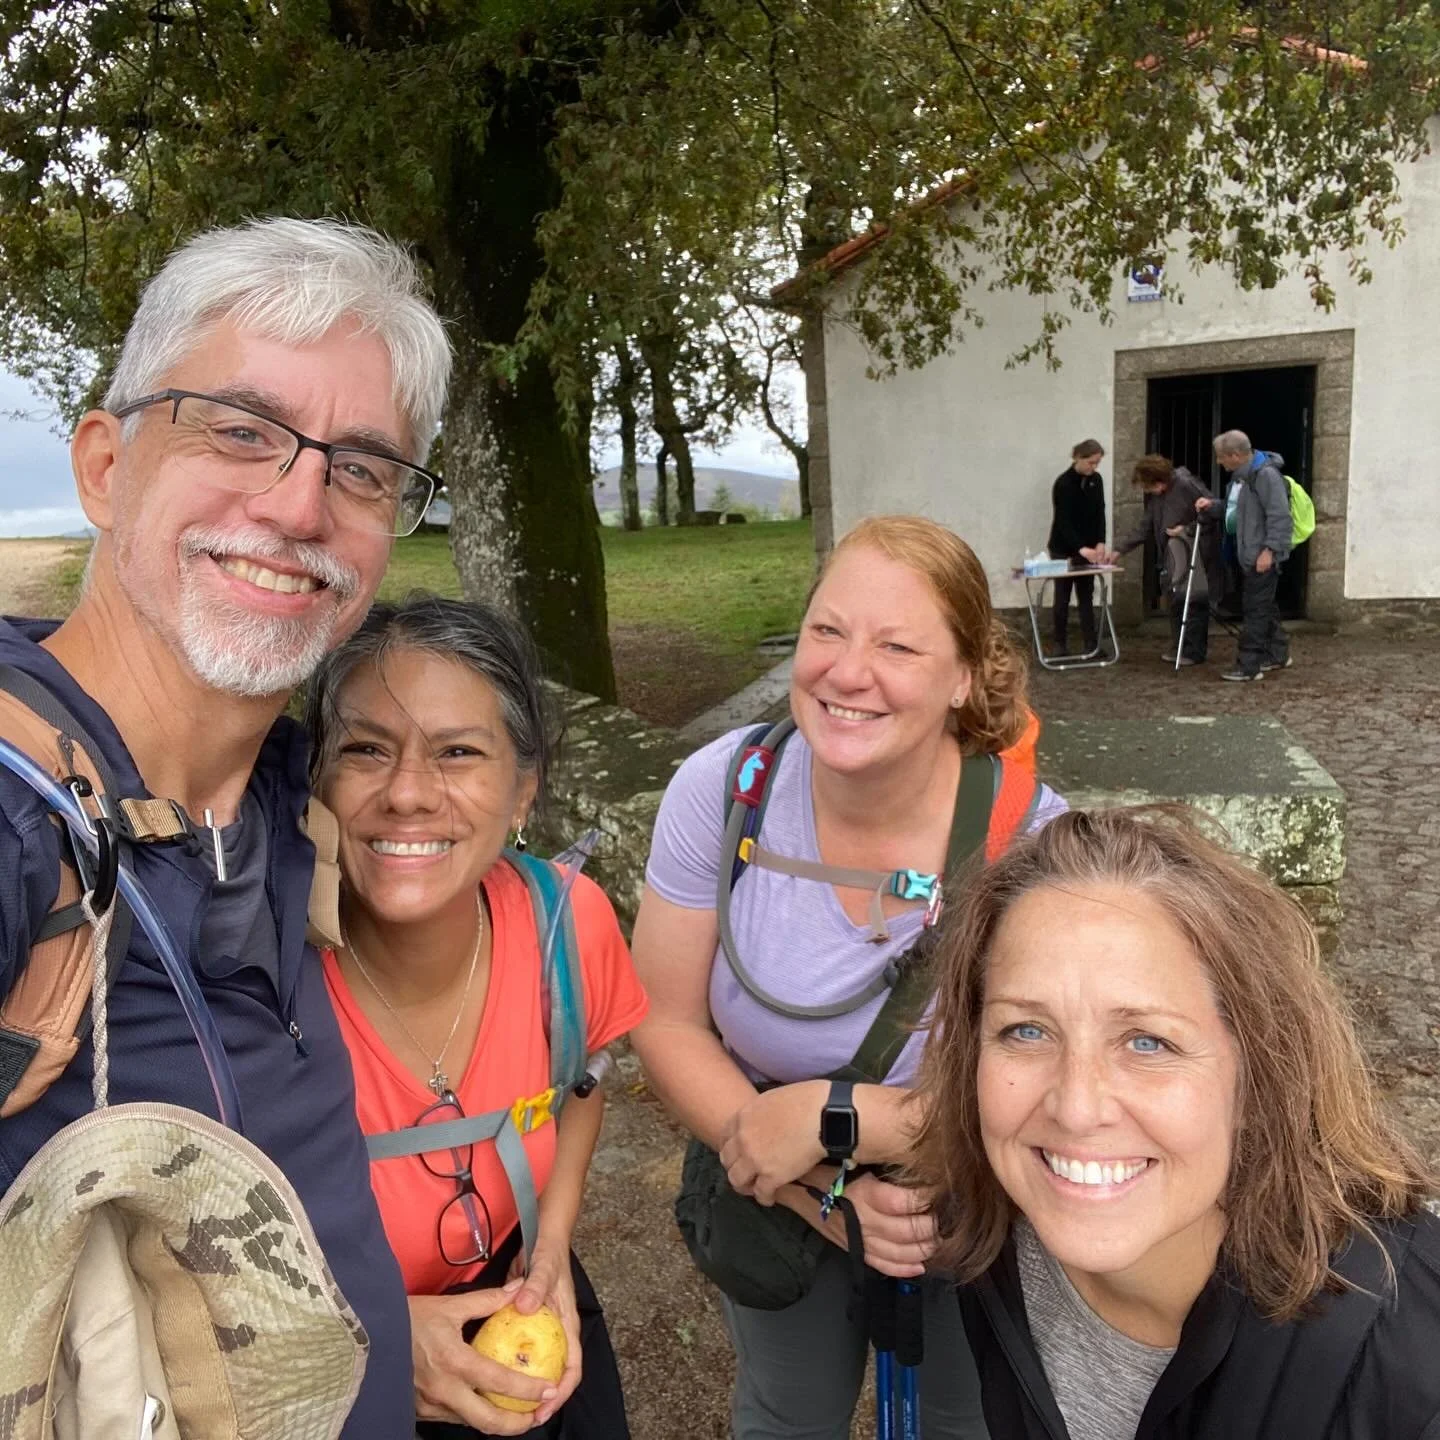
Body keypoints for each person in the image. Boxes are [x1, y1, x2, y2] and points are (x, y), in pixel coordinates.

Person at [0, 217, 452, 1435]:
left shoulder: (287, 801)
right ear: (103, 464)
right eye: (242, 431)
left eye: (362, 467)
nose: (302, 504)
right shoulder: (14, 816)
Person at [631, 514, 1066, 1440]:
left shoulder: (1030, 839)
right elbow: (664, 1021)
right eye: (827, 630)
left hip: (974, 1202)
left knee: (968, 1417)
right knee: (788, 1416)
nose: (847, 670)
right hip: (772, 1187)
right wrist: (814, 1193)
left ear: (962, 677)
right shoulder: (723, 789)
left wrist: (857, 1119)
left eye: (898, 645)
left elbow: (1068, 1077)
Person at [910, 806, 1440, 1440]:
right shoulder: (999, 1229)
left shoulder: (1412, 1363)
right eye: (1026, 1030)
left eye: (1148, 1042)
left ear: (1260, 1072)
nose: (1077, 1108)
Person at [306, 595, 648, 1438]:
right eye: (365, 750)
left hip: (523, 1321)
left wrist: (553, 1243)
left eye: (458, 752)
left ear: (523, 789)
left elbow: (582, 1083)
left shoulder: (567, 924)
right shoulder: (266, 986)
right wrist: (375, 1337)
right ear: (314, 778)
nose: (410, 794)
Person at [1103, 455, 1220, 666]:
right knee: (1176, 599)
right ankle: (1180, 645)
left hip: (1193, 551)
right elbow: (1146, 525)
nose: (1148, 492)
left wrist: (1186, 530)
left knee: (1192, 601)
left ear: (1158, 481)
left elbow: (1211, 514)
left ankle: (1193, 650)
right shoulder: (1159, 496)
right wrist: (1120, 550)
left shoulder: (1186, 486)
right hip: (1173, 553)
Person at [1210, 431, 1292, 681]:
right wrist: (1213, 506)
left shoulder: (1264, 476)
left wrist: (1270, 550)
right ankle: (1277, 654)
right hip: (1250, 554)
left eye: (1221, 457)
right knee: (1264, 606)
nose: (1218, 462)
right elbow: (1236, 511)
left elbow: (1280, 516)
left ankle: (1249, 666)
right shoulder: (1243, 477)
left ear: (1235, 455)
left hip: (1261, 556)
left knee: (1254, 610)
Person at [1045, 439, 1108, 656]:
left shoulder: (1096, 481)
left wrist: (1100, 541)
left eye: (1097, 463)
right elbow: (1063, 521)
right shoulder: (1063, 483)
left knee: (1086, 596)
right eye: (1091, 463)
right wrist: (1080, 548)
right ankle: (1059, 644)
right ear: (1078, 458)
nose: (1094, 468)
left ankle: (1091, 644)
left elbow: (1100, 512)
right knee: (1062, 595)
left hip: (1088, 547)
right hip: (1063, 548)